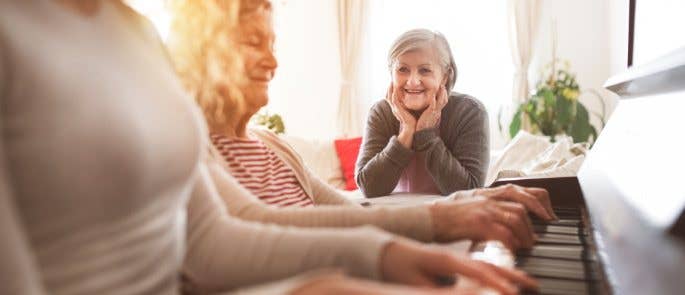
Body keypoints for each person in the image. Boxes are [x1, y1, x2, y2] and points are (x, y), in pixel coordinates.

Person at [0, 1, 536, 294]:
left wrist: (428, 228)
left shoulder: (133, 31)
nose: (272, 63)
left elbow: (212, 237)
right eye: (253, 43)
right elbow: (366, 188)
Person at [166, 0, 557, 254]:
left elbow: (356, 212)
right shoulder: (188, 149)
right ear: (202, 54)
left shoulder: (273, 144)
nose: (273, 62)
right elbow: (258, 230)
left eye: (425, 70)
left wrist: (462, 203)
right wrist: (433, 212)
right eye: (254, 43)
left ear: (446, 75)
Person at [356, 29, 490, 197]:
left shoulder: (470, 113)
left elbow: (470, 191)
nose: (412, 81)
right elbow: (369, 187)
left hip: (452, 219)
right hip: (395, 218)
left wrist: (426, 134)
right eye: (402, 69)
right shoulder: (381, 113)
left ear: (445, 76)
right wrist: (406, 132)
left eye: (425, 70)